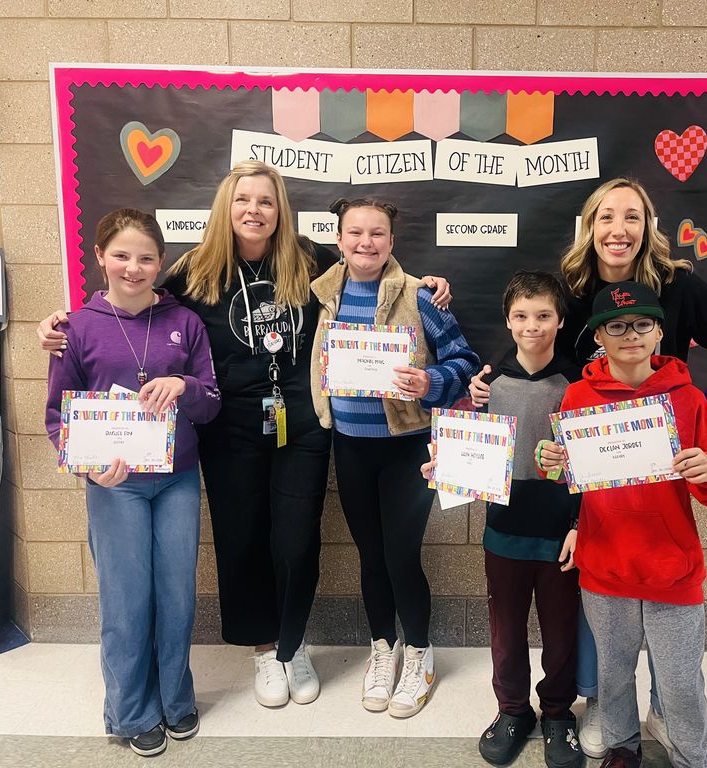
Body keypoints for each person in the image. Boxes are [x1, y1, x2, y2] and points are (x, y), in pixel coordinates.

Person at [37, 161, 452, 710]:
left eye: (266, 201)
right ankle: (264, 649)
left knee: (297, 540)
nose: (254, 211)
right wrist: (63, 323)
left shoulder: (310, 261)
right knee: (242, 538)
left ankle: (292, 643)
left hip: (302, 426)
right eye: (243, 200)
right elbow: (131, 301)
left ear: (281, 210)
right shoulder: (194, 270)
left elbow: (370, 267)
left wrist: (427, 282)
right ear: (226, 208)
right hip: (227, 429)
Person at [471, 177, 707, 759]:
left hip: (663, 516)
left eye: (631, 216)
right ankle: (601, 709)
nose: (618, 230)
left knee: (675, 673)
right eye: (606, 217)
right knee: (606, 640)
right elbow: (533, 332)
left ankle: (679, 739)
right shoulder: (573, 297)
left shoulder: (678, 302)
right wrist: (490, 384)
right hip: (597, 506)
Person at [538, 280, 707, 768]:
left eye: (642, 323)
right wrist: (552, 461)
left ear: (659, 333)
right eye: (616, 326)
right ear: (598, 337)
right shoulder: (578, 397)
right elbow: (572, 477)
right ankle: (623, 747)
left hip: (672, 566)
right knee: (614, 671)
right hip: (605, 563)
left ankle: (694, 756)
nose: (631, 334)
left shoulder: (687, 399)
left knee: (680, 680)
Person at [45, 209, 221, 756]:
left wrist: (183, 385)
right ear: (99, 257)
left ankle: (175, 701)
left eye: (146, 257)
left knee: (176, 596)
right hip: (114, 483)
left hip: (176, 480)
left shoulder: (184, 323)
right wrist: (87, 465)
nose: (133, 267)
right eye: (121, 255)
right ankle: (130, 713)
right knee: (126, 601)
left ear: (161, 262)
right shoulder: (76, 328)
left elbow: (211, 402)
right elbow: (56, 418)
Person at [309, 197, 478, 718]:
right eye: (355, 233)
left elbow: (465, 360)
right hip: (350, 447)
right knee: (370, 555)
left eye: (377, 233)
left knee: (401, 555)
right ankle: (384, 648)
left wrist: (430, 381)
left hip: (407, 448)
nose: (366, 243)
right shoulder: (320, 296)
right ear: (338, 240)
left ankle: (421, 652)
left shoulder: (420, 296)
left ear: (391, 240)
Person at [422, 271, 584, 767]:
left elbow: (594, 466)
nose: (531, 326)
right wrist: (442, 466)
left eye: (542, 316)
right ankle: (513, 709)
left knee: (561, 634)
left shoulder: (580, 384)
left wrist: (582, 525)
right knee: (506, 629)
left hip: (563, 532)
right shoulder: (486, 385)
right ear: (508, 321)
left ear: (559, 320)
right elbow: (467, 452)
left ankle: (558, 713)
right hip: (505, 530)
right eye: (520, 316)